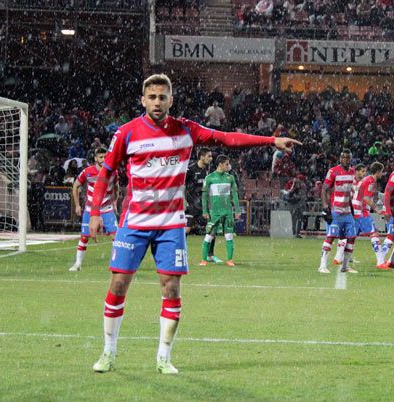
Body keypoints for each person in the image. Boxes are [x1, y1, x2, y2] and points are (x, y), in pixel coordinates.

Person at [87, 74, 300, 374]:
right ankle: (108, 352)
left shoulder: (186, 130)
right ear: (143, 100)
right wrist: (95, 212)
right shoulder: (126, 134)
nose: (157, 102)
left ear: (171, 100)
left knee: (171, 288)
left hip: (171, 224)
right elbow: (105, 172)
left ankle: (164, 357)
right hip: (134, 222)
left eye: (163, 97)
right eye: (152, 97)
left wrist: (270, 140)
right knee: (119, 283)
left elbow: (228, 138)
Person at [69, 147, 118, 272]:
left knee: (116, 237)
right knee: (85, 237)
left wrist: (115, 201)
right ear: (95, 158)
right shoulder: (87, 172)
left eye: (105, 157)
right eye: (100, 157)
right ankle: (78, 264)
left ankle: (115, 264)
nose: (103, 159)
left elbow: (116, 187)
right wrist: (78, 205)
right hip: (90, 210)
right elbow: (75, 186)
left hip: (107, 209)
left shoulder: (113, 171)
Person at [318, 149, 358, 274]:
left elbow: (349, 193)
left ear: (350, 159)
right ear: (340, 159)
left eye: (348, 157)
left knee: (351, 237)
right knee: (331, 237)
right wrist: (325, 207)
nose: (345, 159)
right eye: (343, 157)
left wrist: (352, 209)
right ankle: (322, 265)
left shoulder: (352, 172)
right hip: (336, 211)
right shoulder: (333, 171)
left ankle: (345, 266)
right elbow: (324, 189)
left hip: (347, 212)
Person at [200, 155, 240, 267]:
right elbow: (204, 196)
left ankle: (230, 260)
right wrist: (204, 211)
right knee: (209, 235)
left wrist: (237, 210)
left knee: (229, 235)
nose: (229, 166)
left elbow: (235, 195)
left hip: (228, 211)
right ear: (220, 164)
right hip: (214, 212)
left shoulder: (230, 178)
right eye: (227, 164)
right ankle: (203, 260)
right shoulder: (209, 178)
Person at [185, 147, 220, 262]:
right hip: (192, 204)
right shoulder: (190, 170)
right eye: (208, 156)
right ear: (201, 157)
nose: (211, 158)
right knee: (186, 229)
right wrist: (187, 202)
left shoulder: (209, 171)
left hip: (205, 204)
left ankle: (210, 255)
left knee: (211, 228)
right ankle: (180, 252)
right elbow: (182, 186)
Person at [351, 162, 386, 267]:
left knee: (352, 235)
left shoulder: (366, 179)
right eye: (382, 172)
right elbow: (366, 198)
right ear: (378, 172)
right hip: (361, 210)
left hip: (355, 208)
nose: (382, 174)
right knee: (374, 233)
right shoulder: (371, 181)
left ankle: (342, 257)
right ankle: (380, 261)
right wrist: (377, 209)